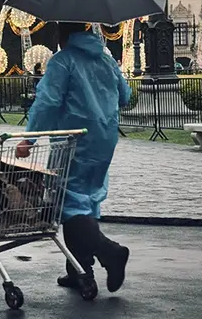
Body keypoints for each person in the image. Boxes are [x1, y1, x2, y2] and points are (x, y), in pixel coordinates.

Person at [16, 23, 131, 294]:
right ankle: (79, 270)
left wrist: (29, 139)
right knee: (86, 200)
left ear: (61, 35)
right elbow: (125, 96)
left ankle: (109, 252)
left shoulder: (62, 61)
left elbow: (47, 103)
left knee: (68, 200)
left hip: (72, 138)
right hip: (104, 136)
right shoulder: (106, 59)